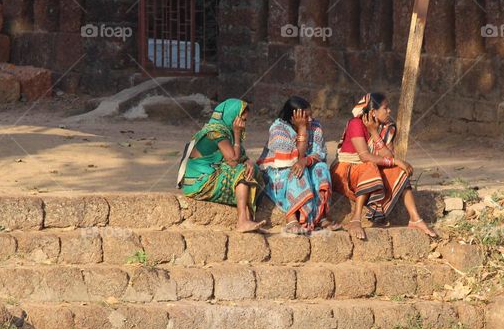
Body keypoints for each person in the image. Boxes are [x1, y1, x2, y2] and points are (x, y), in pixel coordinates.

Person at [330, 92, 436, 240]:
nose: (389, 111)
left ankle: (415, 219)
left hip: (368, 172)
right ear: (373, 112)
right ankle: (356, 219)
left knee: (398, 171)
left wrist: (374, 132)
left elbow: (388, 157)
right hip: (345, 172)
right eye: (385, 108)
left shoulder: (386, 128)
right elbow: (364, 156)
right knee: (371, 166)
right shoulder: (356, 124)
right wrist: (395, 161)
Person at [177, 98, 264, 233]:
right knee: (241, 172)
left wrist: (248, 162)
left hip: (211, 174)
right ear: (232, 117)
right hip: (199, 182)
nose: (243, 125)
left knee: (254, 170)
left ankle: (249, 219)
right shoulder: (216, 132)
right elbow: (233, 161)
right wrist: (236, 133)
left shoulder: (224, 131)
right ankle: (242, 220)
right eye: (242, 120)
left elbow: (240, 157)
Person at [257, 96, 339, 234]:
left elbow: (319, 153)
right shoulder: (278, 129)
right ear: (293, 117)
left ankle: (321, 217)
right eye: (306, 117)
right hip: (279, 170)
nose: (310, 120)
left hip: (306, 163)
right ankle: (292, 218)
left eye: (310, 115)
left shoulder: (315, 126)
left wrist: (305, 161)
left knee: (321, 169)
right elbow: (290, 160)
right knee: (296, 172)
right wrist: (302, 130)